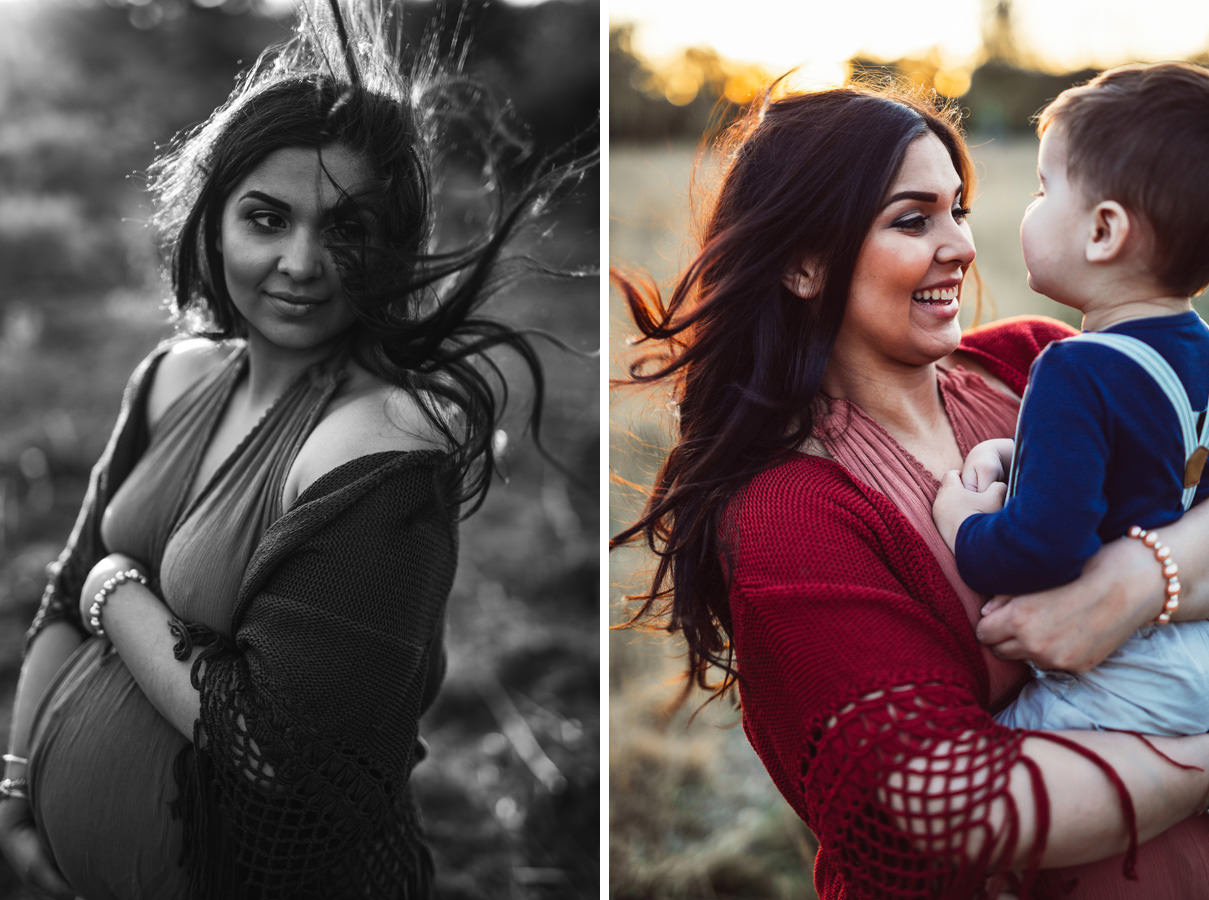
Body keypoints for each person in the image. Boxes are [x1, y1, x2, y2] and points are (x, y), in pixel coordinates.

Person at [0, 2, 585, 898]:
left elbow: (277, 753)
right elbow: (58, 600)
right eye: (266, 219)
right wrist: (17, 788)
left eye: (345, 228)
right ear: (214, 220)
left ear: (389, 246)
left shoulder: (383, 435)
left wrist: (115, 590)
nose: (303, 263)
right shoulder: (174, 373)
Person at [613, 80, 1209, 899]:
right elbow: (945, 805)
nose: (961, 246)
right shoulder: (792, 515)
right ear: (802, 265)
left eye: (958, 210)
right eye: (912, 219)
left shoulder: (1033, 364)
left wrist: (1138, 580)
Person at [932, 63, 1209, 735]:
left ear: (1102, 232)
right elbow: (1160, 463)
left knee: (998, 758)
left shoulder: (1073, 369)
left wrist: (963, 525)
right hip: (1191, 646)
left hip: (1121, 668)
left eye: (1041, 187)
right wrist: (1023, 448)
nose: (1028, 206)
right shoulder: (1198, 347)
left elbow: (1044, 548)